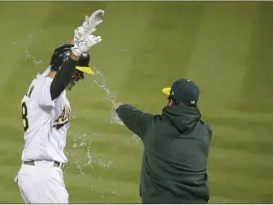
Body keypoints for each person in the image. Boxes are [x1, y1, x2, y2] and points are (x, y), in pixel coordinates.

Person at [15, 9, 105, 203]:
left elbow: (59, 59)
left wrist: (80, 34)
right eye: (77, 72)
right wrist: (75, 55)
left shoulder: (46, 77)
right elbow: (58, 80)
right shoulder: (46, 89)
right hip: (42, 176)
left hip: (41, 175)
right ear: (66, 68)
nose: (79, 77)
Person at [114, 78, 212, 204]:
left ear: (171, 101)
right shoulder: (205, 132)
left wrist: (117, 106)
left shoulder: (152, 126)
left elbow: (125, 112)